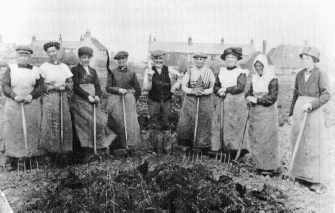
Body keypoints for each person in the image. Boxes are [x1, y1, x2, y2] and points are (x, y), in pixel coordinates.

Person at [288, 46, 330, 193]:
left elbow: (326, 95)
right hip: (299, 111)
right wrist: (291, 114)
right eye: (303, 58)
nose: (305, 61)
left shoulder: (321, 74)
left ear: (314, 60)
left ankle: (315, 179)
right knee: (299, 142)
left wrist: (311, 104)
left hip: (313, 112)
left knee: (313, 144)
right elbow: (295, 95)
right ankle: (300, 175)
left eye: (308, 58)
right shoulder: (299, 75)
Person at [1, 46, 45, 169]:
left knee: (32, 129)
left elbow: (41, 87)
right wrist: (14, 96)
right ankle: (13, 159)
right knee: (14, 129)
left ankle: (31, 157)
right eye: (21, 55)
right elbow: (5, 85)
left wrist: (32, 95)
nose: (23, 57)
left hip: (31, 103)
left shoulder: (36, 70)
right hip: (14, 103)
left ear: (29, 57)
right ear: (17, 56)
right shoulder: (11, 69)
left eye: (26, 55)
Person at [70, 46, 116, 162]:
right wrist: (88, 96)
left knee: (99, 122)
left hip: (93, 102)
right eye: (83, 57)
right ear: (79, 57)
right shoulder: (75, 70)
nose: (85, 59)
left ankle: (100, 148)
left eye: (87, 57)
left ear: (90, 58)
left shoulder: (93, 71)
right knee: (86, 124)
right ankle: (86, 152)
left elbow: (98, 86)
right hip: (80, 101)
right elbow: (75, 87)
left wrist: (97, 96)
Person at [142, 50, 183, 154]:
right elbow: (146, 88)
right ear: (153, 60)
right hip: (153, 100)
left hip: (166, 100)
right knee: (153, 123)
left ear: (163, 59)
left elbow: (180, 77)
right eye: (156, 59)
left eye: (160, 58)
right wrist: (150, 79)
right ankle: (152, 149)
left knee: (166, 122)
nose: (158, 61)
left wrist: (173, 90)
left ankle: (167, 149)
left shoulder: (168, 70)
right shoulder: (148, 71)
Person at [245, 54, 280, 175]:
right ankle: (259, 164)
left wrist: (257, 100)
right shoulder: (254, 78)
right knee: (256, 138)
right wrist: (249, 99)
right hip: (255, 114)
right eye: (256, 66)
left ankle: (269, 167)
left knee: (267, 138)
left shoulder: (272, 79)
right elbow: (249, 92)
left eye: (261, 65)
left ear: (265, 66)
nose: (259, 68)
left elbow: (272, 97)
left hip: (267, 113)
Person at [39, 42, 73, 164]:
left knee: (64, 122)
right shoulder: (44, 67)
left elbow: (70, 83)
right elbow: (41, 85)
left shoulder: (64, 66)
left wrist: (65, 86)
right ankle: (51, 153)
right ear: (47, 54)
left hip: (62, 98)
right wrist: (53, 86)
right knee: (51, 123)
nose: (52, 54)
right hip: (50, 98)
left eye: (54, 51)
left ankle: (64, 151)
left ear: (58, 51)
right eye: (49, 52)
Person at [213, 47, 249, 160]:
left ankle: (236, 152)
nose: (230, 59)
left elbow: (240, 87)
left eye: (232, 57)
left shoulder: (241, 72)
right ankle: (223, 149)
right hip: (223, 102)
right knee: (222, 125)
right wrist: (219, 91)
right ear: (225, 59)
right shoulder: (221, 71)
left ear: (236, 59)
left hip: (236, 103)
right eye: (228, 57)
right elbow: (216, 86)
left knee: (235, 126)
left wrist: (226, 90)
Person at [177, 53, 215, 153]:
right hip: (191, 100)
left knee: (204, 120)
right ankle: (187, 145)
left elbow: (213, 86)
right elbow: (184, 85)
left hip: (205, 100)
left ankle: (203, 146)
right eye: (197, 59)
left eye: (201, 59)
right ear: (194, 60)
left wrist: (205, 92)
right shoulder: (190, 71)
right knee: (188, 120)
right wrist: (191, 91)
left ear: (204, 60)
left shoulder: (209, 71)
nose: (199, 61)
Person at [106, 51, 141, 154]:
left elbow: (138, 90)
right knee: (115, 123)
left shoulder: (131, 73)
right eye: (119, 59)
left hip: (127, 103)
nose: (121, 61)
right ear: (117, 60)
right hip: (115, 102)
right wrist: (118, 90)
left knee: (129, 124)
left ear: (126, 59)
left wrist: (132, 100)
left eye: (123, 59)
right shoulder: (112, 72)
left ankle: (130, 147)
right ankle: (115, 149)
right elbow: (108, 88)